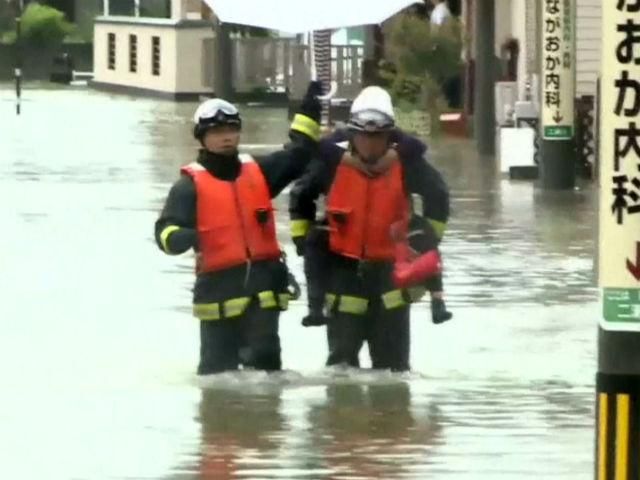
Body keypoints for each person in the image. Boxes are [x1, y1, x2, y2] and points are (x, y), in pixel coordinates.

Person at [155, 81, 323, 375]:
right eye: (217, 132)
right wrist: (187, 237)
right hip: (217, 292)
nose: (226, 137)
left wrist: (309, 110)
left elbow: (300, 153)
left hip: (263, 288)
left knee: (265, 366)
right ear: (202, 138)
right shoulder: (188, 187)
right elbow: (165, 233)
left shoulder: (259, 172)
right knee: (216, 377)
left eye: (231, 130)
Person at [289, 86, 451, 372]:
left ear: (390, 135)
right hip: (343, 271)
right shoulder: (332, 162)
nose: (370, 143)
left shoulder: (408, 163)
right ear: (352, 133)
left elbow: (438, 194)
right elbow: (302, 193)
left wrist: (426, 240)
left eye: (377, 136)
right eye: (364, 135)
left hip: (391, 276)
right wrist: (304, 238)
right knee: (341, 371)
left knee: (393, 372)